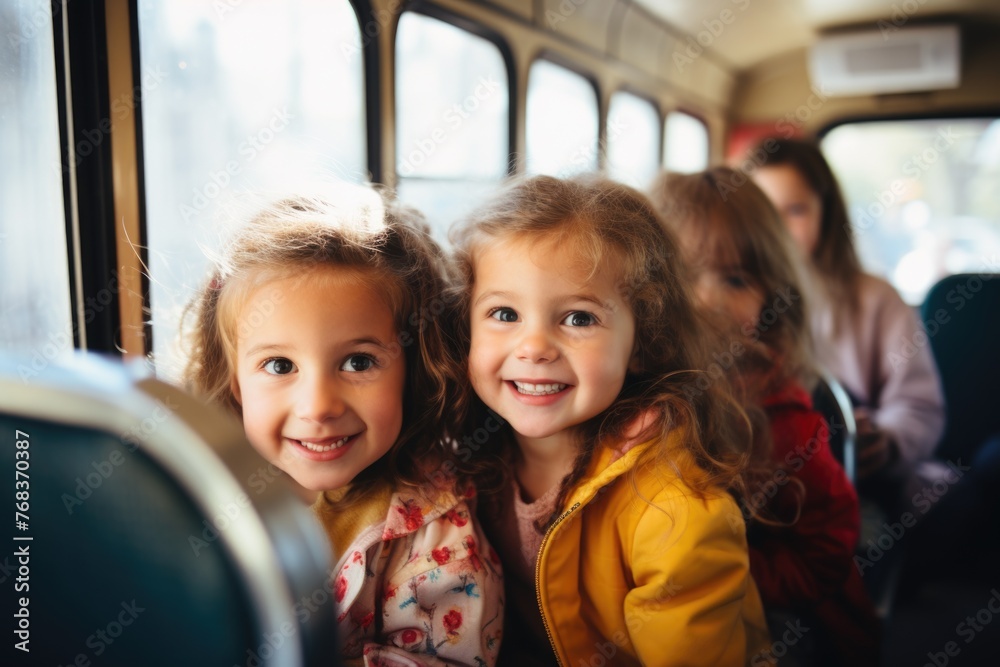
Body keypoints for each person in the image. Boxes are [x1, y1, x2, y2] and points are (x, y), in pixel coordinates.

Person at [447, 174, 770, 666]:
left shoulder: (674, 514)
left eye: (579, 318)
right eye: (505, 314)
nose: (534, 348)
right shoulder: (462, 453)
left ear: (643, 344)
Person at [181, 185, 503, 666]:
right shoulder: (199, 497)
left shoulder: (438, 530)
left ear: (413, 372)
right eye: (279, 366)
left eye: (358, 362)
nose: (318, 406)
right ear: (236, 385)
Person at [651, 167, 880, 666]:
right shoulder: (633, 389)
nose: (706, 300)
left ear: (771, 300)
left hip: (793, 617)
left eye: (735, 279)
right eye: (684, 273)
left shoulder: (785, 423)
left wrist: (726, 568)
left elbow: (825, 553)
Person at [749, 137, 947, 511]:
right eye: (765, 214)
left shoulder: (876, 299)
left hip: (870, 488)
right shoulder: (733, 303)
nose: (779, 229)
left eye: (795, 210)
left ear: (826, 213)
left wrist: (887, 439)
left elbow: (918, 406)